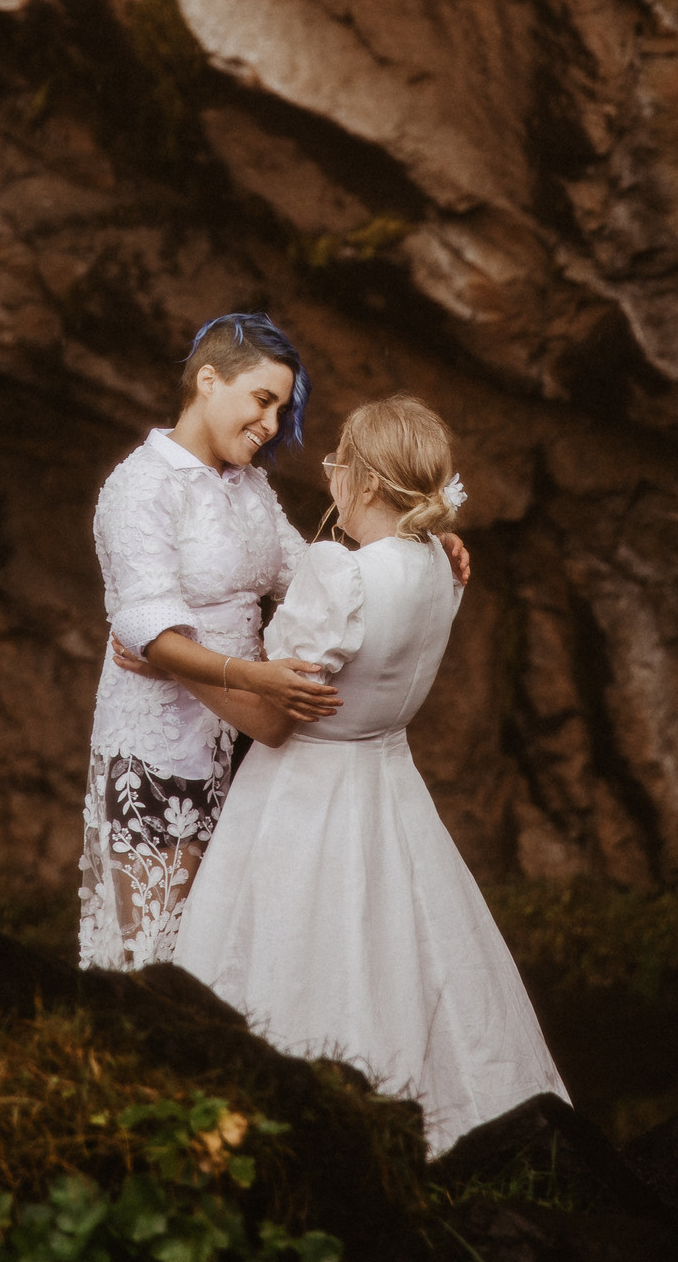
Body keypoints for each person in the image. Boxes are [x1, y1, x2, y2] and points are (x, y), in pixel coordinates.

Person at [168, 394, 569, 1157]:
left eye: (339, 466)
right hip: (389, 783)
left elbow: (273, 718)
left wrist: (172, 661)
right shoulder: (437, 565)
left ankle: (296, 1138)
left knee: (293, 956)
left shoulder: (338, 574)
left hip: (303, 792)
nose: (331, 481)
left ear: (371, 486)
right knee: (403, 950)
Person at [81, 319, 470, 973]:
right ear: (208, 380)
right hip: (163, 737)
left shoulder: (250, 487)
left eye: (282, 409)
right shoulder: (139, 487)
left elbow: (312, 578)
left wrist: (415, 540)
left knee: (219, 941)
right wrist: (255, 679)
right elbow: (149, 638)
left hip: (246, 734)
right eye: (262, 400)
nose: (271, 423)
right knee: (153, 943)